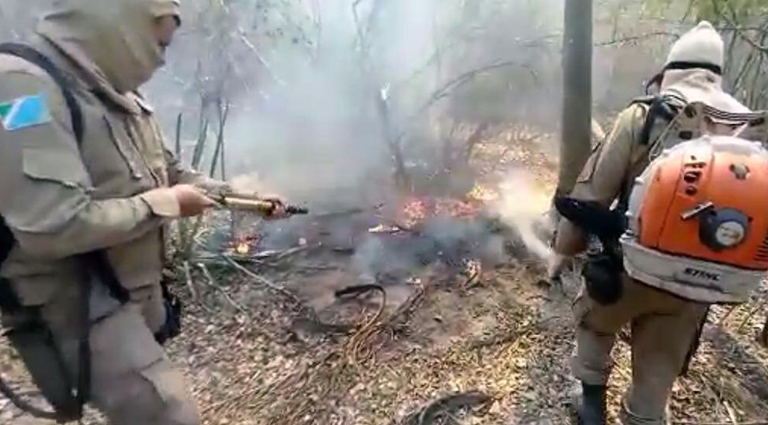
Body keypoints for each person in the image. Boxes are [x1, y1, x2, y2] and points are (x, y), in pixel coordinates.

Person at [0, 1, 282, 423]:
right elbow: (53, 226)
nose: (162, 59)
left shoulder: (113, 88)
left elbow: (167, 171)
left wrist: (238, 196)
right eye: (159, 43)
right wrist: (165, 206)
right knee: (167, 413)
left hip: (129, 286)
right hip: (76, 302)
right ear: (119, 23)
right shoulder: (20, 90)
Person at [550, 22, 754, 425]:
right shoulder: (749, 131)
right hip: (696, 286)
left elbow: (591, 194)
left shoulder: (645, 114)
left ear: (669, 71)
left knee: (592, 322)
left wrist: (562, 249)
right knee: (658, 371)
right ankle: (643, 417)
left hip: (628, 268)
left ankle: (591, 406)